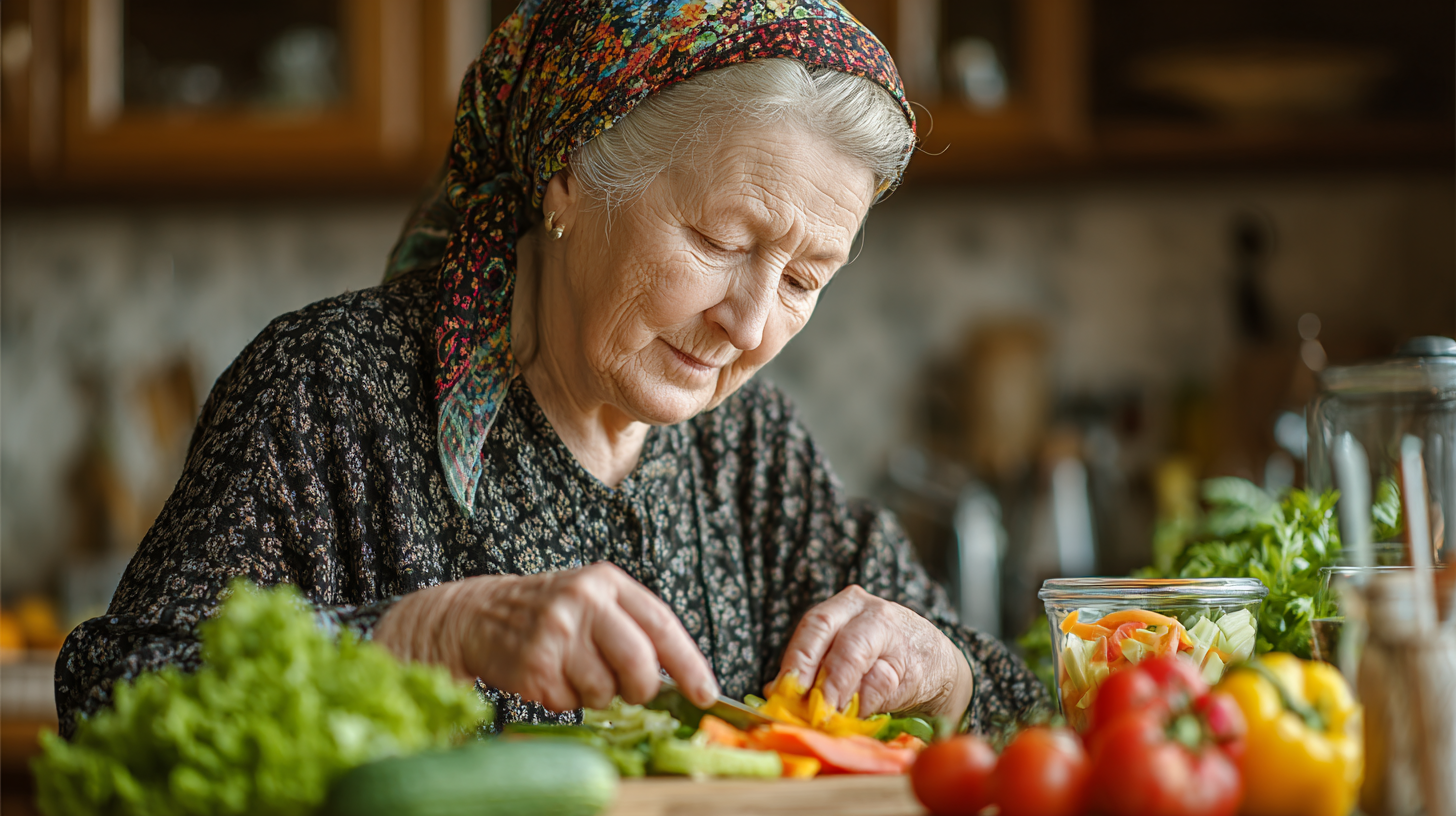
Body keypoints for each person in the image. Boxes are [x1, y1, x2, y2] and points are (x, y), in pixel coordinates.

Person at [55, 0, 1046, 737]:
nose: (748, 322)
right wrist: (416, 637)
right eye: (717, 241)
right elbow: (110, 694)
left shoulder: (753, 449)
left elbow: (1017, 698)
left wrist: (941, 669)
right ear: (569, 175)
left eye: (804, 279)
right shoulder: (327, 393)